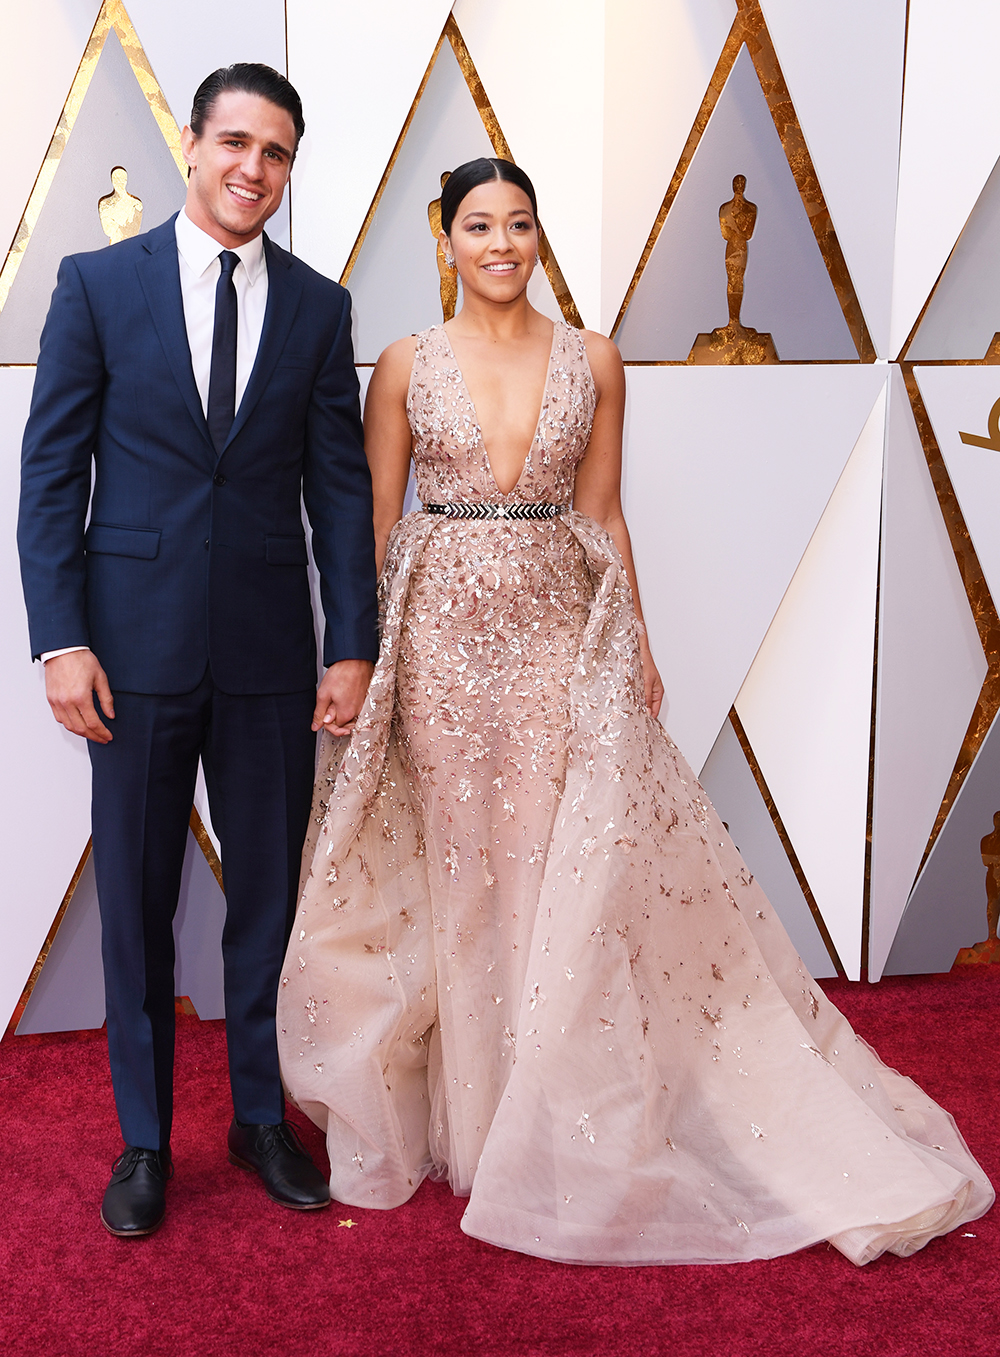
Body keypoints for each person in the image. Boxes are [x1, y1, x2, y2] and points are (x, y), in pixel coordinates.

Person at [277, 157, 993, 1265]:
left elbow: (603, 514)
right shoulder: (406, 364)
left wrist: (640, 650)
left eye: (519, 222)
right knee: (458, 863)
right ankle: (470, 1120)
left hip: (562, 636)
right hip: (438, 647)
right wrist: (355, 660)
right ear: (447, 239)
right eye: (479, 225)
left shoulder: (595, 361)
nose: (501, 243)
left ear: (538, 236)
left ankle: (547, 1112)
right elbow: (373, 522)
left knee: (558, 859)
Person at [18, 64, 379, 1237]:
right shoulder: (95, 285)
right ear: (191, 143)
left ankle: (260, 1117)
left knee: (266, 904)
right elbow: (49, 476)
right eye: (235, 143)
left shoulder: (322, 310)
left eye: (276, 153)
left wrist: (352, 645)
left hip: (276, 656)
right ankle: (143, 1140)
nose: (252, 171)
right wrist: (60, 638)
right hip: (130, 653)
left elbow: (340, 487)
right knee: (135, 903)